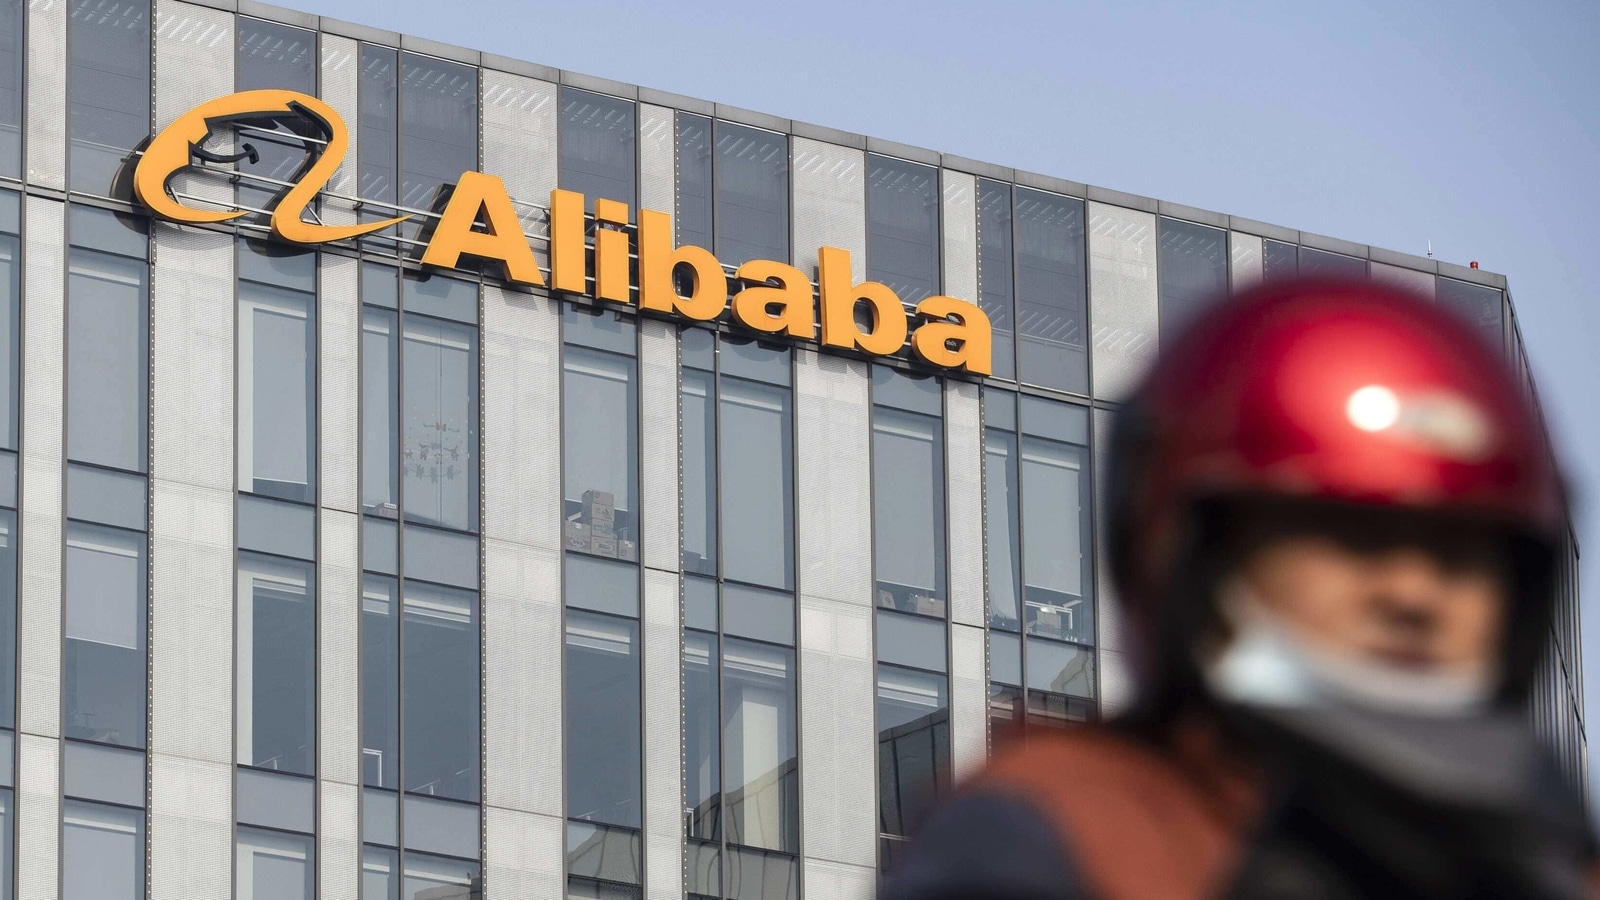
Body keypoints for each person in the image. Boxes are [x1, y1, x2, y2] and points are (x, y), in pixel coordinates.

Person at [880, 277, 1595, 899]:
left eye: (1461, 555)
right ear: (1196, 550)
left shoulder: (1563, 865)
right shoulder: (1056, 831)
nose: (1413, 594)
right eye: (1351, 536)